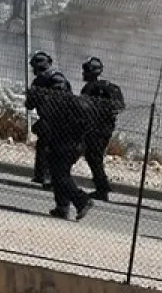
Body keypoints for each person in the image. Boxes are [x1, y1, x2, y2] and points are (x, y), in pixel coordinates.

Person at [24, 49, 92, 219]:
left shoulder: (42, 83)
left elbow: (30, 105)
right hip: (69, 135)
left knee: (59, 173)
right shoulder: (60, 82)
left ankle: (82, 201)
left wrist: (34, 95)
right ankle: (62, 206)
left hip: (62, 135)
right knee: (59, 172)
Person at [79, 57, 125, 201]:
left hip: (93, 129)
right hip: (105, 129)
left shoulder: (89, 88)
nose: (83, 73)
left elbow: (82, 108)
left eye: (86, 71)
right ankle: (102, 187)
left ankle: (102, 188)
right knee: (94, 157)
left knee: (93, 157)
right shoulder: (108, 87)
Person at [27, 50, 58, 187]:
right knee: (49, 147)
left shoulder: (39, 81)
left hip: (49, 120)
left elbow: (30, 104)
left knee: (45, 147)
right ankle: (43, 175)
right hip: (65, 120)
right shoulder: (59, 77)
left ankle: (45, 176)